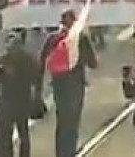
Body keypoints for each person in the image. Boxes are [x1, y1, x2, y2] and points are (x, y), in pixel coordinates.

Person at [40, 9, 97, 157]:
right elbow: (93, 63)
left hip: (59, 85)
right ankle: (70, 151)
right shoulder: (81, 38)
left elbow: (42, 60)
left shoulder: (52, 38)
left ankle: (60, 152)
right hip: (76, 85)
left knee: (62, 119)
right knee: (73, 120)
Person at [0, 32, 39, 157]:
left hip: (21, 100)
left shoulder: (26, 59)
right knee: (7, 134)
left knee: (22, 132)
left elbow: (35, 77)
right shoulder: (3, 60)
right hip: (8, 101)